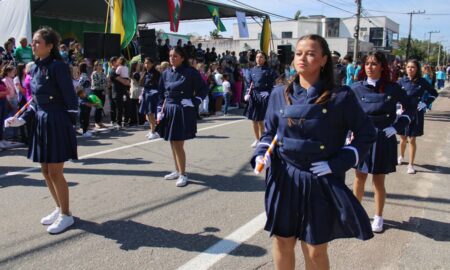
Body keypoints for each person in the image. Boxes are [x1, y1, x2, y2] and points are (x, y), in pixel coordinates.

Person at [252, 34, 376, 270]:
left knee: (315, 249)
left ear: (323, 60)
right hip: (284, 177)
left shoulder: (341, 96)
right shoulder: (279, 93)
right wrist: (262, 153)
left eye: (310, 53)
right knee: (283, 240)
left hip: (321, 178)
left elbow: (366, 133)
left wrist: (339, 162)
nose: (303, 58)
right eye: (299, 53)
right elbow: (269, 132)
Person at [4, 27, 78, 234]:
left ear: (50, 45)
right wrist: (20, 119)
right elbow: (34, 101)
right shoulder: (33, 68)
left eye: (37, 42)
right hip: (41, 121)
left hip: (56, 121)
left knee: (55, 172)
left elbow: (70, 99)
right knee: (45, 171)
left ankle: (66, 215)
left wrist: (68, 126)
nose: (33, 45)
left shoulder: (58, 67)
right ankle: (58, 208)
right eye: (34, 42)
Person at [351, 51, 412, 233]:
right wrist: (348, 133)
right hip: (362, 137)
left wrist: (397, 127)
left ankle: (378, 216)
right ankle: (357, 213)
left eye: (374, 64)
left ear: (382, 67)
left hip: (383, 138)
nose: (370, 67)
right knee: (359, 177)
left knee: (378, 181)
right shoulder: (355, 88)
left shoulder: (393, 88)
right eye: (367, 64)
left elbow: (411, 107)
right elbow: (346, 112)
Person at [158, 46, 208, 187]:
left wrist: (194, 101)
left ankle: (183, 174)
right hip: (169, 109)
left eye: (175, 56)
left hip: (182, 109)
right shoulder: (165, 73)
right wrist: (159, 110)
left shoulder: (190, 72)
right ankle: (177, 169)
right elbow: (161, 92)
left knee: (178, 144)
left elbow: (203, 88)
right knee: (172, 142)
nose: (172, 59)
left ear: (182, 58)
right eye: (170, 56)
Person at [397, 59, 439, 174]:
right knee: (403, 138)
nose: (410, 69)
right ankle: (401, 155)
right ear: (405, 68)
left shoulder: (422, 81)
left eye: (413, 67)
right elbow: (394, 95)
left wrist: (426, 102)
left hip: (416, 113)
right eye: (408, 67)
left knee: (412, 139)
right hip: (403, 112)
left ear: (417, 69)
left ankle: (410, 165)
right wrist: (397, 106)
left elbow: (434, 93)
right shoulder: (401, 81)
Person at [244, 51, 277, 147]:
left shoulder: (269, 70)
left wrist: (269, 92)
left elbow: (275, 84)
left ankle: (263, 139)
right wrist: (247, 94)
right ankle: (257, 139)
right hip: (254, 96)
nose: (259, 59)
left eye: (261, 57)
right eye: (257, 57)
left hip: (264, 95)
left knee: (261, 120)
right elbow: (249, 84)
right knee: (254, 119)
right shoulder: (251, 70)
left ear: (265, 59)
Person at [139, 57, 161, 139]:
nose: (146, 65)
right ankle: (153, 129)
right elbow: (142, 84)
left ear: (152, 64)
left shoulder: (156, 73)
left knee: (151, 113)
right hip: (146, 94)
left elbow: (160, 85)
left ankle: (153, 131)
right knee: (147, 114)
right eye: (145, 63)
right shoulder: (145, 73)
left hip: (152, 95)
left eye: (148, 63)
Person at [91, 61, 107, 128]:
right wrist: (103, 86)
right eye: (99, 65)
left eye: (101, 65)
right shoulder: (94, 74)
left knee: (101, 107)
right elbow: (96, 83)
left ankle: (100, 121)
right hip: (96, 91)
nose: (100, 66)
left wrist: (104, 88)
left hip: (102, 91)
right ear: (96, 66)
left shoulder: (103, 73)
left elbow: (105, 82)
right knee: (98, 106)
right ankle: (96, 122)